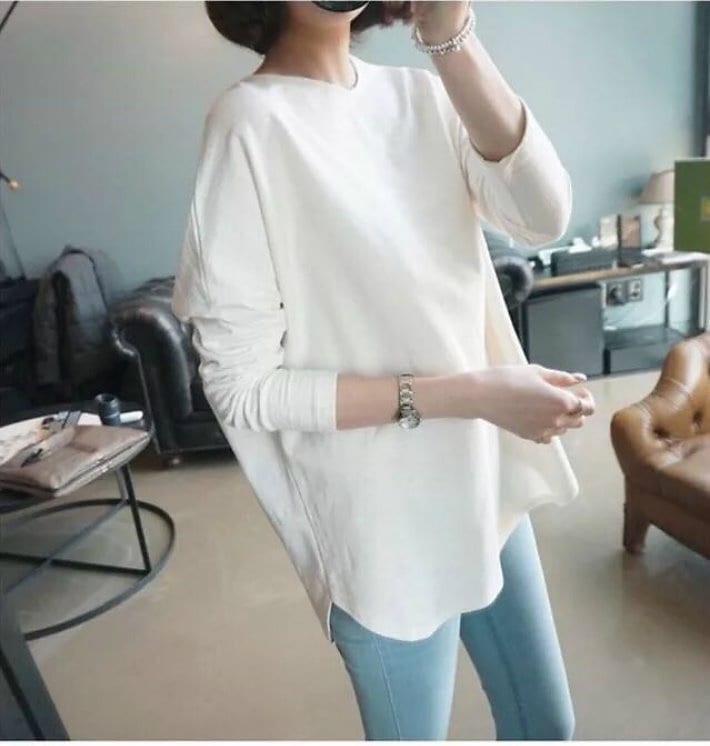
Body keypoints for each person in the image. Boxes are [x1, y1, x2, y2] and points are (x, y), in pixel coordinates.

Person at [171, 0, 597, 739]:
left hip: (481, 484)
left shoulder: (423, 93)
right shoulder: (250, 122)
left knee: (546, 727)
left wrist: (449, 34)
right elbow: (245, 387)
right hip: (381, 526)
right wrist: (476, 394)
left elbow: (544, 214)